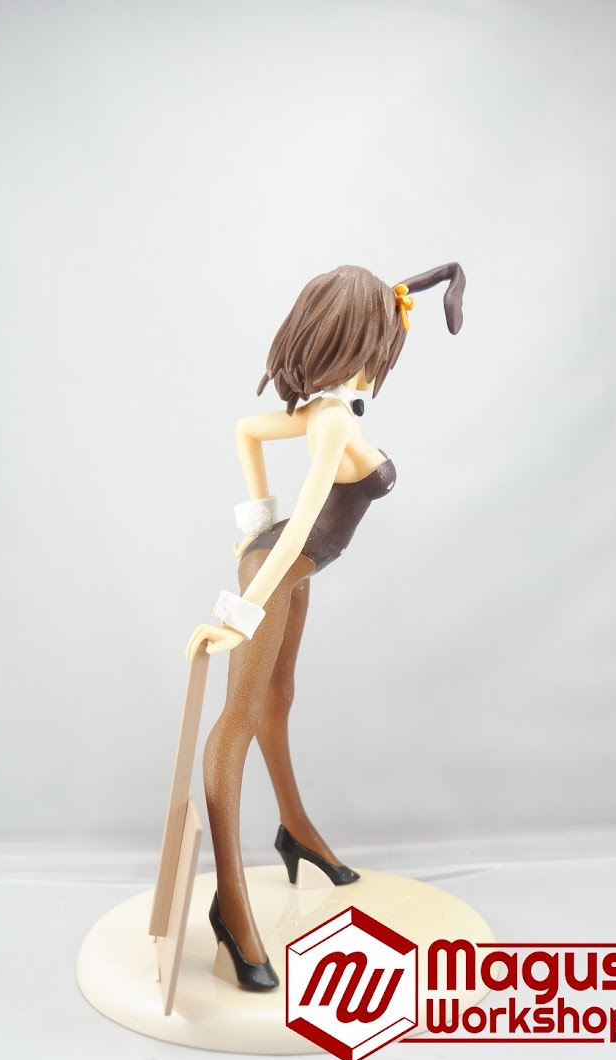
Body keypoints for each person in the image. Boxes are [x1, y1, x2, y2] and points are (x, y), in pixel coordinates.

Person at [186, 262, 465, 990]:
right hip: (283, 566)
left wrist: (254, 521)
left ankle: (296, 830)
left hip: (294, 565)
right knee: (238, 718)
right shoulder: (333, 420)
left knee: (279, 699)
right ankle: (230, 906)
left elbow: (246, 430)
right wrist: (240, 610)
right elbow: (302, 522)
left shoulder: (322, 411)